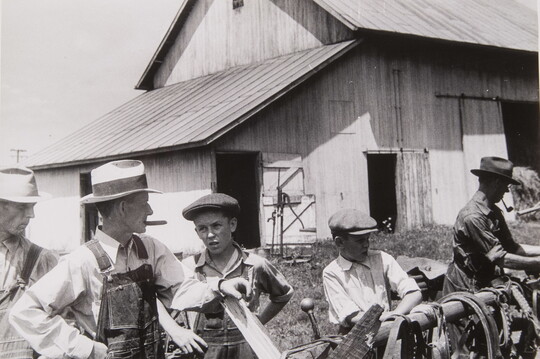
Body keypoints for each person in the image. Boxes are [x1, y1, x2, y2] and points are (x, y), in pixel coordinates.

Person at [9, 160, 251, 359]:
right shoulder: (83, 260)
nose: (150, 211)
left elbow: (182, 288)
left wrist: (219, 287)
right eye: (145, 203)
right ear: (123, 208)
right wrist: (84, 349)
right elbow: (24, 312)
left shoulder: (151, 248)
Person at [179, 193, 293, 359]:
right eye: (202, 228)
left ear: (232, 225)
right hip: (206, 350)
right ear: (196, 231)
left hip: (246, 346)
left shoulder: (255, 264)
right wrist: (181, 331)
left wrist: (260, 321)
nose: (210, 234)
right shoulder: (190, 266)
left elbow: (283, 294)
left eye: (216, 226)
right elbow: (171, 300)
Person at [443, 156, 540, 294]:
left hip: (487, 280)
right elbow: (502, 260)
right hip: (468, 290)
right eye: (506, 186)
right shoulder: (473, 217)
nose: (506, 191)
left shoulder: (493, 211)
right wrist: (537, 263)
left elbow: (512, 248)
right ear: (496, 182)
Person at [322, 209, 422, 334]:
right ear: (340, 242)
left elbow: (414, 293)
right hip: (353, 339)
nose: (366, 245)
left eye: (367, 239)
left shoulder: (381, 259)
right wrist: (383, 318)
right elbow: (352, 316)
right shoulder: (332, 273)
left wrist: (394, 315)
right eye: (360, 241)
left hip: (388, 331)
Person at [0, 166, 58, 359]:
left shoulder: (43, 259)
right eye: (22, 206)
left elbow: (64, 321)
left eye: (33, 206)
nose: (31, 215)